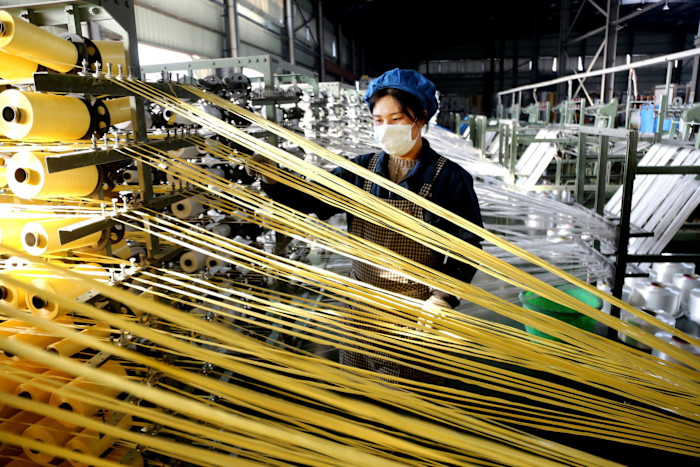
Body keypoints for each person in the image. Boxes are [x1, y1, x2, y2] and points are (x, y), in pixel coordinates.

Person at [247, 68, 483, 385]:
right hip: (361, 303)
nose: (386, 129)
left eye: (396, 119)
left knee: (409, 394)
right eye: (378, 120)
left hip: (415, 309)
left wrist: (442, 298)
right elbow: (311, 200)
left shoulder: (449, 178)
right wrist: (274, 180)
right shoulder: (360, 171)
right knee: (359, 386)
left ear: (421, 119)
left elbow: (466, 247)